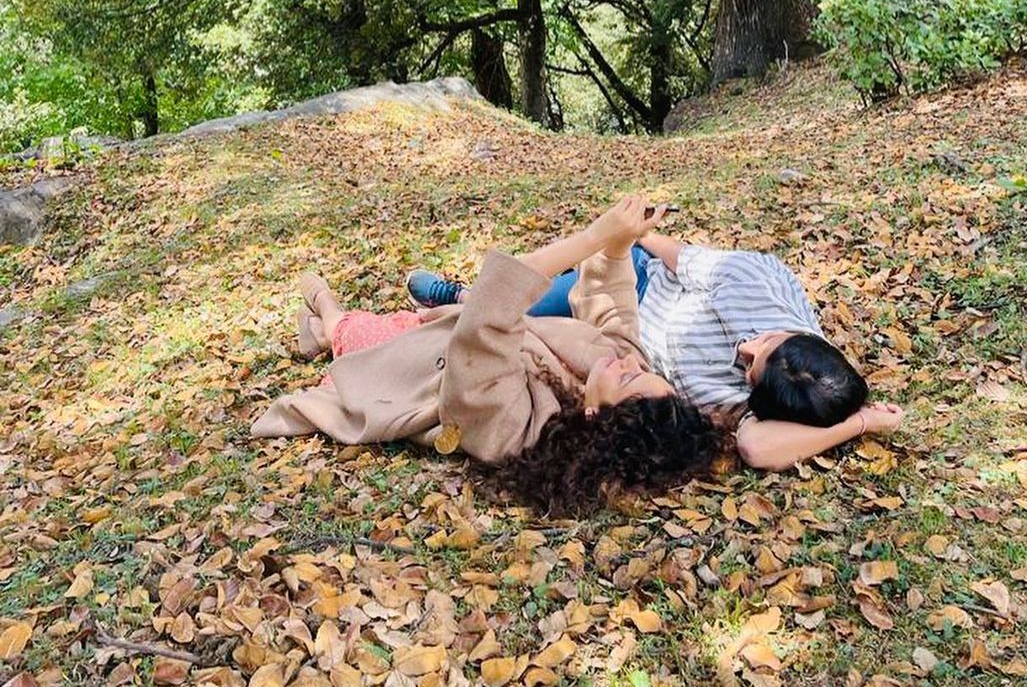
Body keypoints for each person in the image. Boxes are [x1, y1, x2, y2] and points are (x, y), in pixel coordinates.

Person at [252, 197, 731, 514]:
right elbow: (613, 299)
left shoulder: (515, 429)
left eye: (629, 379)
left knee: (352, 331)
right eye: (639, 368)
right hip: (439, 331)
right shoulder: (614, 364)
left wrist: (592, 237)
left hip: (411, 371)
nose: (630, 363)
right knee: (388, 323)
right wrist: (620, 241)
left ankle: (324, 312)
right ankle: (317, 332)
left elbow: (488, 311)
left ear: (596, 416)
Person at [407, 220, 905, 471]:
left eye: (751, 367)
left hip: (616, 346)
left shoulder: (767, 401)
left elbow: (756, 446)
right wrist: (631, 238)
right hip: (641, 287)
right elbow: (678, 257)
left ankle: (459, 308)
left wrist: (857, 424)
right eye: (767, 340)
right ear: (793, 331)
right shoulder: (754, 285)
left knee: (511, 326)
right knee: (514, 305)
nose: (747, 347)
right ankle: (460, 297)